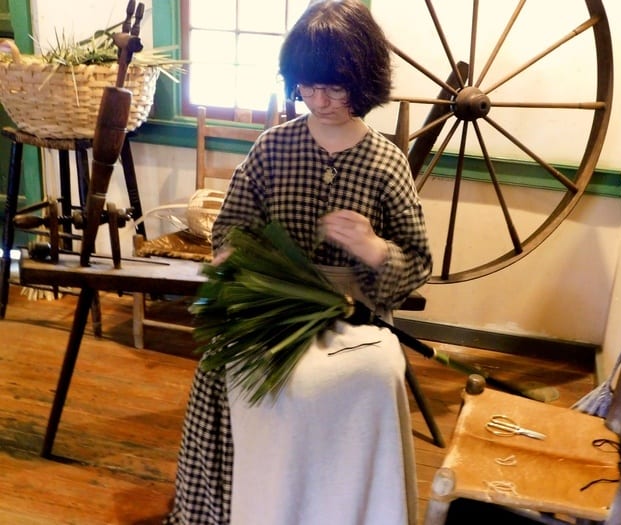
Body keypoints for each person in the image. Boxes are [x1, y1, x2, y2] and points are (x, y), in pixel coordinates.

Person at [164, 1, 432, 523]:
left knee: (375, 373)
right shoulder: (272, 149)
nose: (320, 99)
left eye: (334, 86)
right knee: (232, 368)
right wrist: (233, 256)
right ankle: (255, 504)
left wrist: (374, 249)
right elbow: (231, 227)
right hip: (272, 304)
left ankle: (345, 506)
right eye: (308, 86)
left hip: (354, 311)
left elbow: (417, 262)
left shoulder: (385, 162)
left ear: (364, 81)